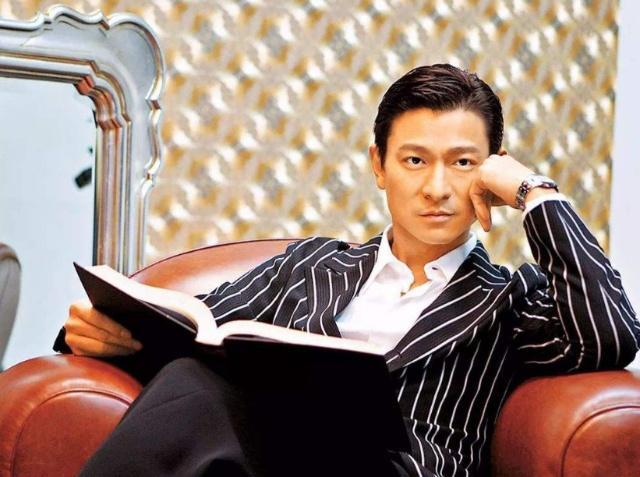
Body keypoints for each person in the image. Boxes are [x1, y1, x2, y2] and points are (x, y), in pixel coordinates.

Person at [54, 64, 640, 477]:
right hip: (269, 462)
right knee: (193, 377)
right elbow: (194, 334)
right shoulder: (311, 265)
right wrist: (102, 333)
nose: (437, 187)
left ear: (491, 170)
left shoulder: (511, 299)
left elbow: (609, 332)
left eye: (463, 163)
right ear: (379, 167)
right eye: (415, 160)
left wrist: (534, 193)